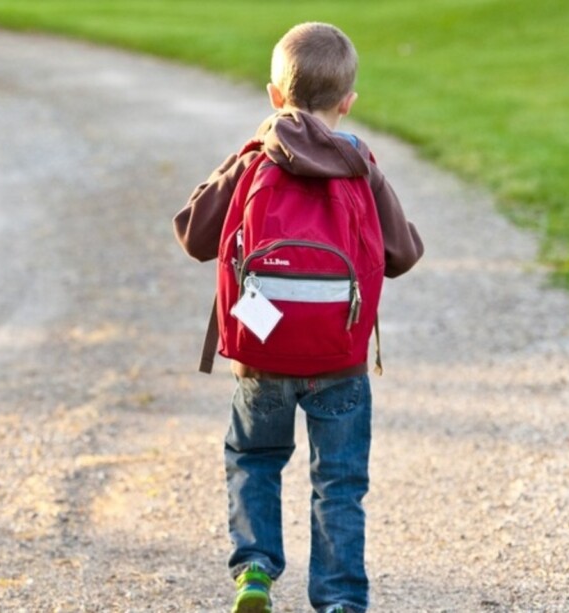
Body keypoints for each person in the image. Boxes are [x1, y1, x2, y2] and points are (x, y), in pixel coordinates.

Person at [173, 22, 423, 613]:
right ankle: (339, 601)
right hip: (340, 357)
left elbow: (193, 233)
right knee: (338, 484)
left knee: (255, 458)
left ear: (274, 97)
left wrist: (247, 151)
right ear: (348, 102)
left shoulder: (257, 158)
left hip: (263, 351)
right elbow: (402, 255)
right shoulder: (360, 162)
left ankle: (256, 570)